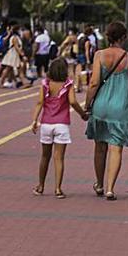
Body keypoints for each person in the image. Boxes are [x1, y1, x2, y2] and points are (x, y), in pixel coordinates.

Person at [85, 21, 128, 201]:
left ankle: (99, 183)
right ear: (123, 37)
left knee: (100, 147)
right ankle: (110, 188)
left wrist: (87, 104)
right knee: (116, 148)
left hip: (101, 106)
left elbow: (93, 83)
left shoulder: (99, 55)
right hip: (121, 107)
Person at [30, 57, 88, 198]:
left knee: (45, 156)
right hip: (61, 124)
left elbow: (39, 102)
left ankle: (40, 186)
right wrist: (82, 114)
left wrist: (34, 120)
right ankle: (58, 189)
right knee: (59, 158)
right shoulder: (68, 84)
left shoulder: (45, 84)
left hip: (46, 123)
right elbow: (73, 101)